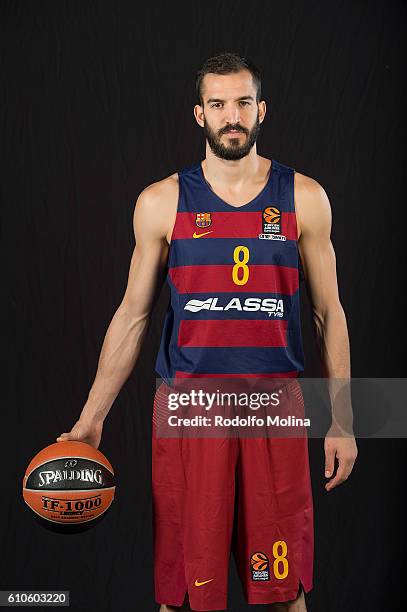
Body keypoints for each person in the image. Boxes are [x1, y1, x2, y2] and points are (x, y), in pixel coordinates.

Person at [56, 52, 358, 611]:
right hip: (190, 409)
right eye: (217, 104)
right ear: (199, 115)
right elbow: (133, 315)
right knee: (183, 596)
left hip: (275, 405)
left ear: (261, 110)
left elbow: (328, 313)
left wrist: (342, 418)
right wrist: (90, 418)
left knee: (284, 593)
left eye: (243, 102)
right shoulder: (162, 201)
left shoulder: (304, 198)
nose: (231, 116)